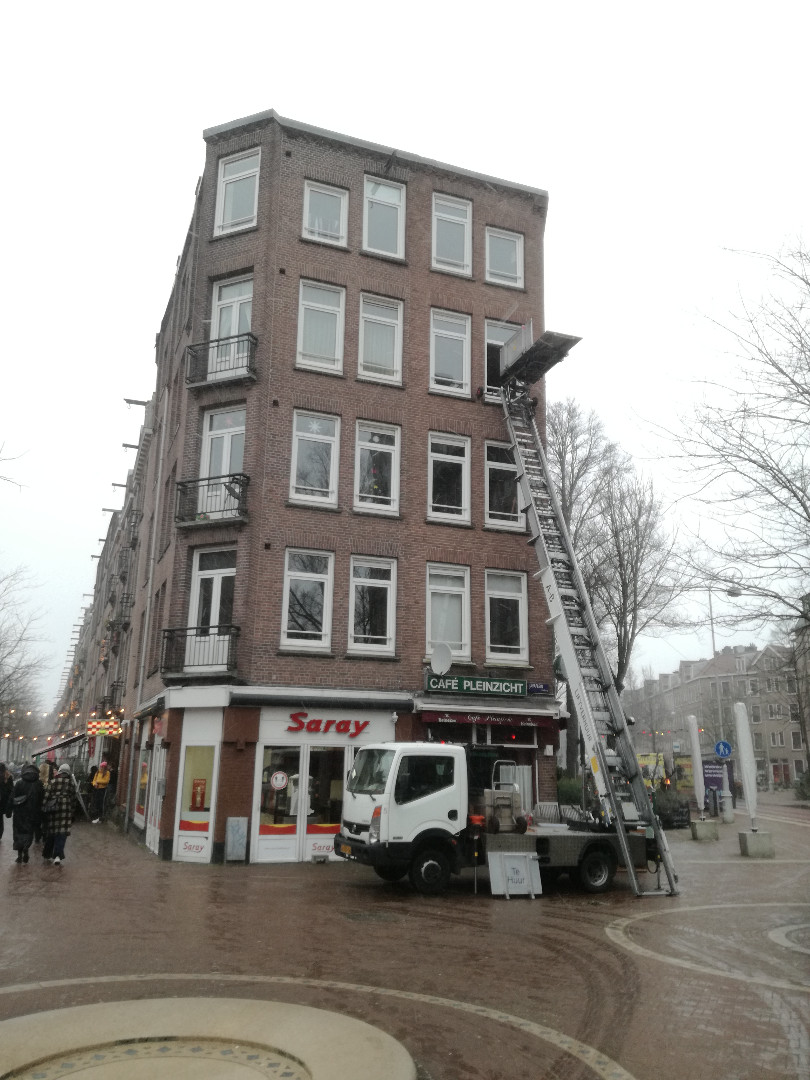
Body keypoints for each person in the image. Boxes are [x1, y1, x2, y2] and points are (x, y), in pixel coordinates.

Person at [11, 762, 44, 864]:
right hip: (33, 814)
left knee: (18, 833)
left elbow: (12, 798)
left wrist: (8, 810)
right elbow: (42, 799)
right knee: (29, 832)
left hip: (19, 813)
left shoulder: (19, 783)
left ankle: (19, 854)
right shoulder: (39, 784)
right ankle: (26, 847)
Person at [42, 763, 74, 866]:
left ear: (60, 771)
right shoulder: (71, 783)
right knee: (62, 833)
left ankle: (47, 854)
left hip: (54, 809)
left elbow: (46, 796)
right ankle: (57, 856)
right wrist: (72, 811)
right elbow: (73, 798)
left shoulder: (53, 781)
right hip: (66, 810)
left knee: (52, 832)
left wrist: (44, 807)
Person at [0, 763, 14, 841]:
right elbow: (12, 790)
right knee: (1, 820)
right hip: (4, 801)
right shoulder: (8, 776)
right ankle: (0, 834)